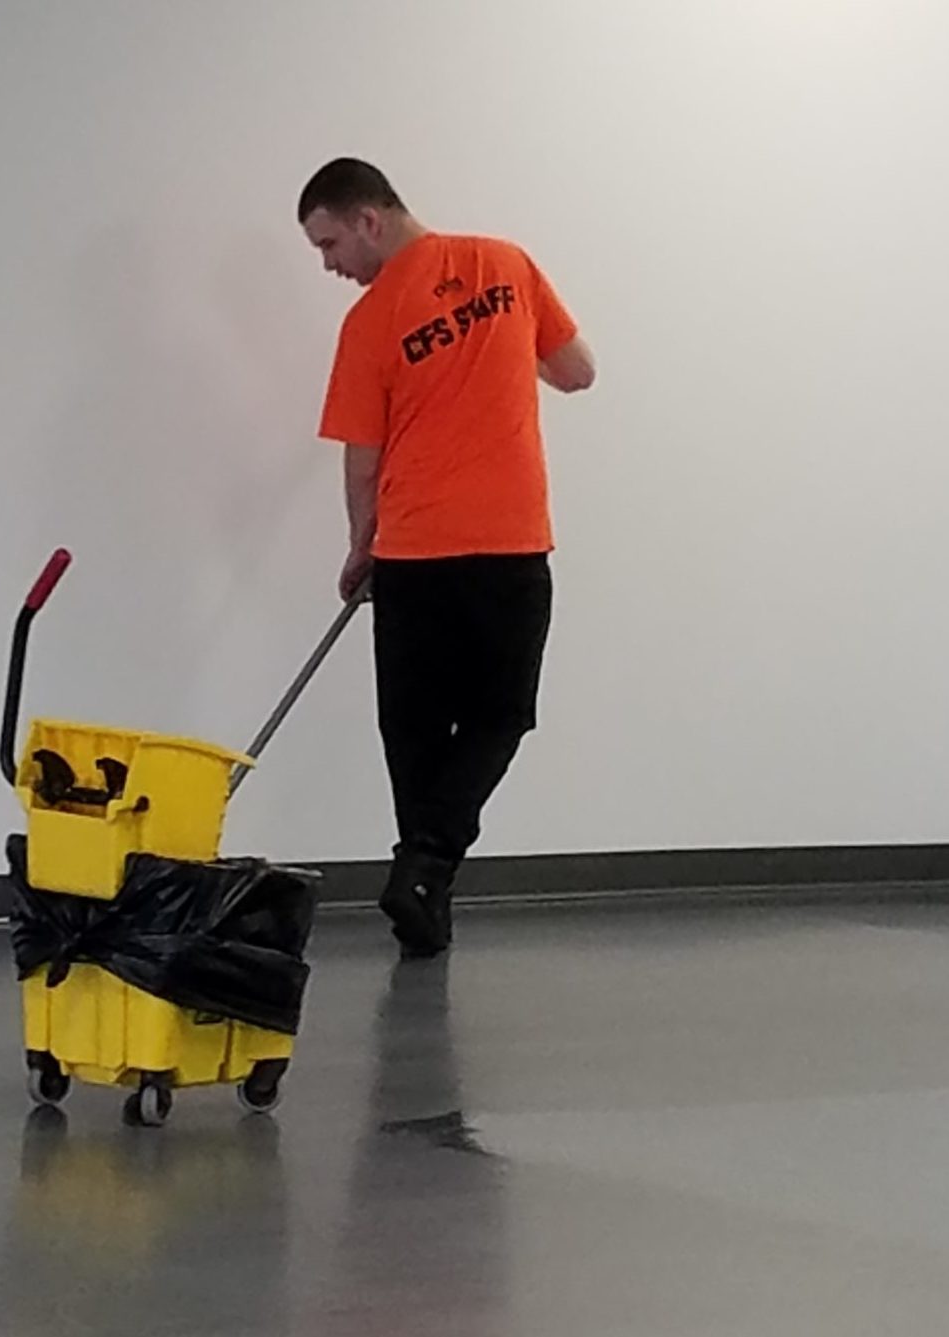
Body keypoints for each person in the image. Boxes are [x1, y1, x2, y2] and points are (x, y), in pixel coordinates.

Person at [298, 157, 595, 959]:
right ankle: (426, 872)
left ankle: (422, 876)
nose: (331, 267)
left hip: (414, 552)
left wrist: (361, 548)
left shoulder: (368, 324)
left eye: (330, 244)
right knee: (500, 714)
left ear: (368, 219)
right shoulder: (505, 263)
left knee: (415, 730)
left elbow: (362, 460)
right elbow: (577, 372)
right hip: (508, 546)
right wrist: (503, 349)